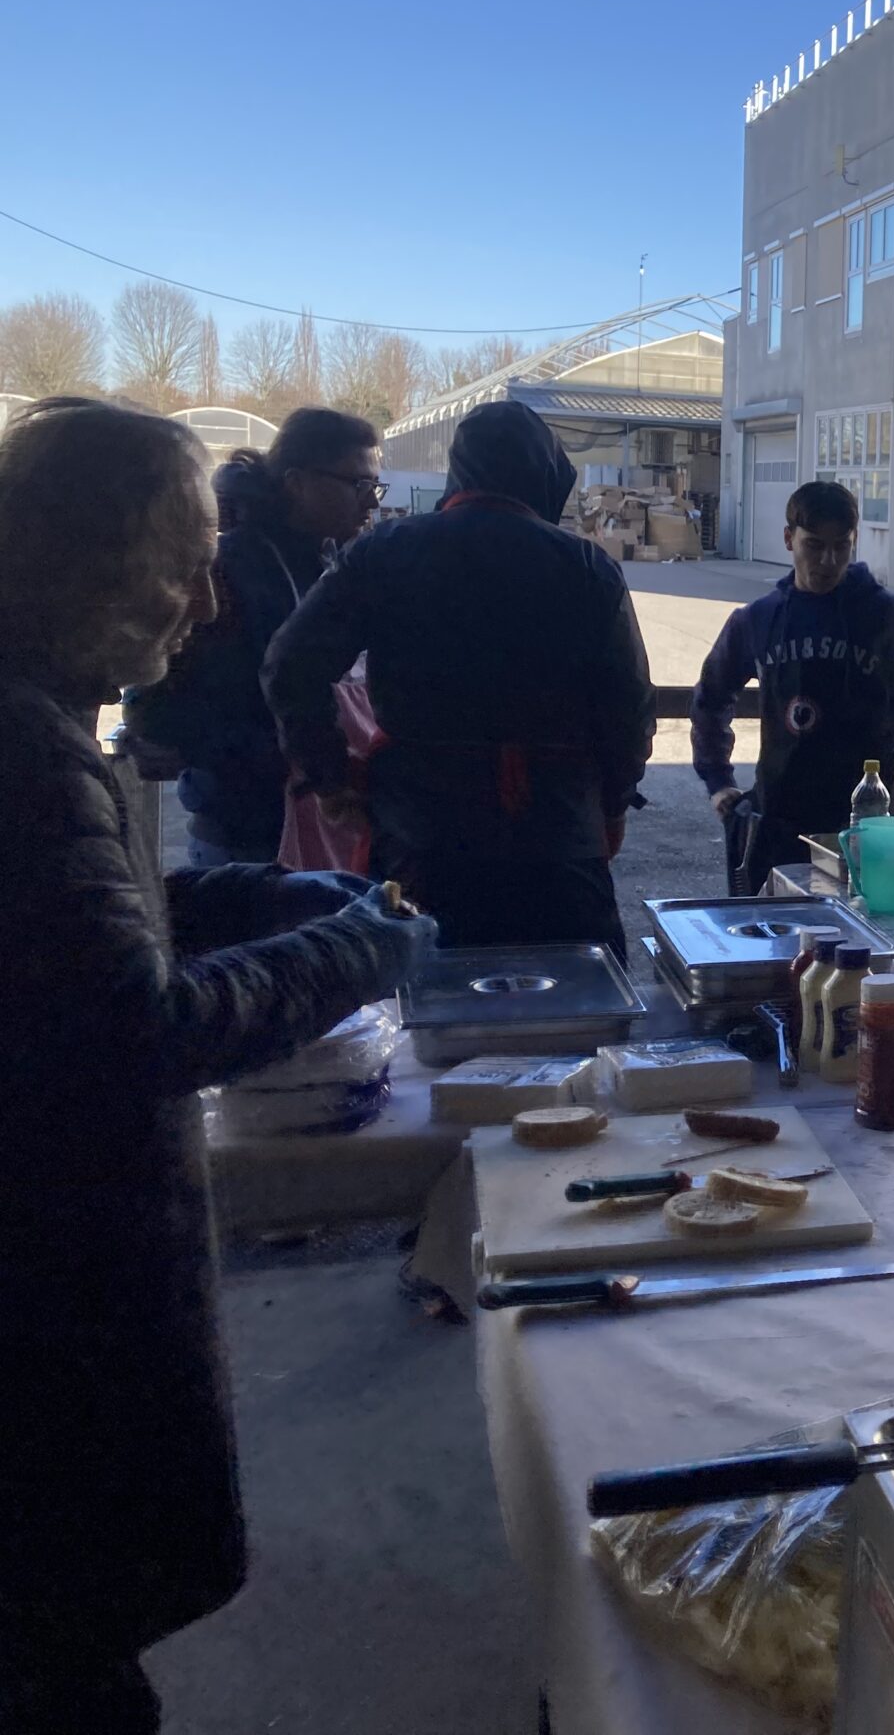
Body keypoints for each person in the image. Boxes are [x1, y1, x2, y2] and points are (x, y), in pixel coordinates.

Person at [0, 399, 434, 1733]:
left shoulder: (45, 715)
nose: (205, 601)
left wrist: (260, 893)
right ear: (84, 561)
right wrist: (353, 952)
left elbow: (84, 927)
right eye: (181, 566)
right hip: (51, 1311)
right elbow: (138, 1028)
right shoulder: (29, 750)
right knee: (68, 1669)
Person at [264, 400, 654, 957]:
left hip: (421, 841)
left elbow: (288, 664)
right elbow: (628, 711)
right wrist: (611, 805)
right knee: (577, 1010)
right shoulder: (587, 568)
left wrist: (330, 777)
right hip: (559, 841)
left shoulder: (384, 553)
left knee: (427, 1015)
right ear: (546, 475)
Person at [124, 408, 384, 866]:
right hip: (244, 837)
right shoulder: (223, 572)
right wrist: (282, 754)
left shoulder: (332, 565)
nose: (372, 502)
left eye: (374, 486)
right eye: (357, 484)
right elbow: (154, 709)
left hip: (320, 821)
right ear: (297, 482)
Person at [692, 479, 894, 892]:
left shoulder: (889, 617)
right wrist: (718, 781)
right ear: (789, 539)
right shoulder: (758, 621)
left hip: (873, 825)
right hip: (780, 826)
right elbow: (711, 699)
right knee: (776, 948)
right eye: (814, 545)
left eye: (841, 546)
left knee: (875, 947)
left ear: (854, 541)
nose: (828, 560)